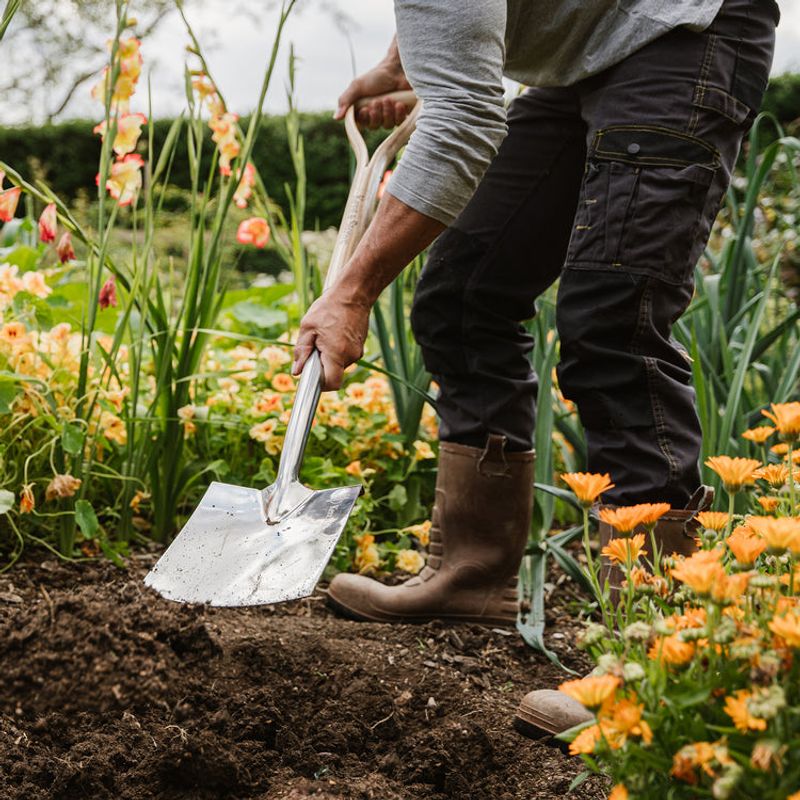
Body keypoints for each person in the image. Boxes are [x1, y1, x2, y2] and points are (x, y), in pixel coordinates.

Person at [292, 0, 779, 740]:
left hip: (686, 29)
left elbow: (463, 126)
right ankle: (473, 570)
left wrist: (352, 292)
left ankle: (659, 653)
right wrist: (405, 59)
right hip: (593, 46)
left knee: (614, 316)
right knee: (466, 290)